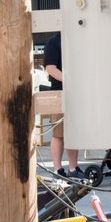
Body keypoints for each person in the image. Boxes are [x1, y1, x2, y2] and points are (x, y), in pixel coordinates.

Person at [43, 32, 81, 180]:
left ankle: (73, 168)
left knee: (73, 132)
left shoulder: (77, 39)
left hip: (76, 92)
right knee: (58, 134)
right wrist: (69, 80)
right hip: (59, 92)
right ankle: (57, 169)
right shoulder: (54, 41)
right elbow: (50, 68)